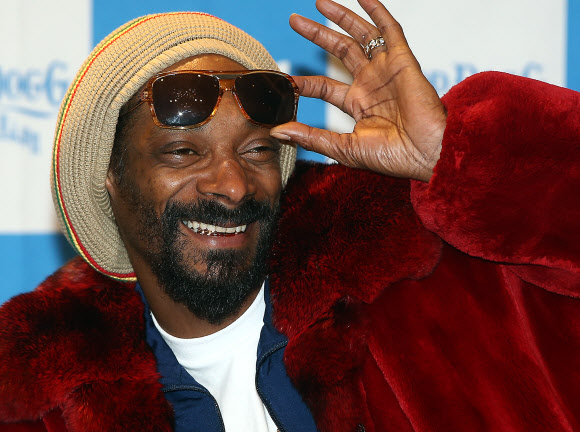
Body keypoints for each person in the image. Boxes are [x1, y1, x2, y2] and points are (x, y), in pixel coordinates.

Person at [0, 0, 579, 430]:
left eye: (256, 151)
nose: (232, 184)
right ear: (109, 177)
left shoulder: (435, 285)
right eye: (183, 152)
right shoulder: (41, 404)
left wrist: (456, 156)